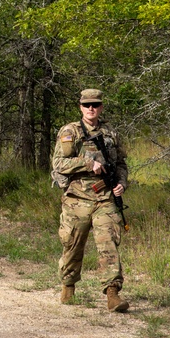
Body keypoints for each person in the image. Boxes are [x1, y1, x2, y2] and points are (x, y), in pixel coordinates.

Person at [51, 88, 130, 312]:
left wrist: (122, 183)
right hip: (78, 198)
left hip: (105, 197)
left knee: (108, 242)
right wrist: (88, 164)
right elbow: (59, 164)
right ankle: (68, 285)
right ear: (81, 107)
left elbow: (122, 164)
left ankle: (112, 294)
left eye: (95, 104)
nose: (91, 108)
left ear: (101, 106)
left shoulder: (110, 133)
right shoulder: (70, 131)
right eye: (87, 105)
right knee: (73, 244)